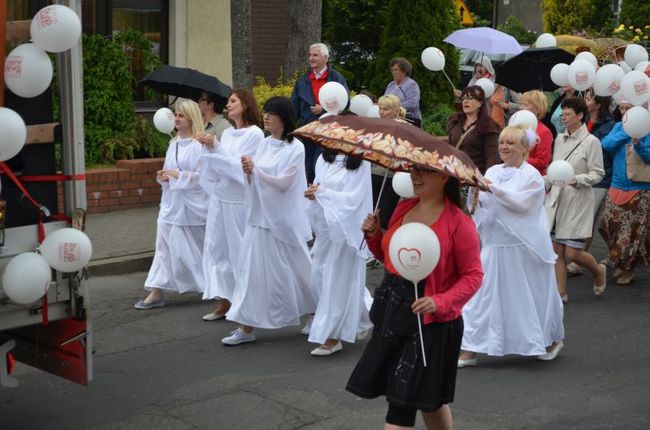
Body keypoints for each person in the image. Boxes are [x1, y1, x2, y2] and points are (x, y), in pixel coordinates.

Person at [346, 168, 483, 430]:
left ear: (445, 177)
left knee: (402, 403)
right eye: (413, 171)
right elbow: (393, 259)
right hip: (393, 309)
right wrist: (375, 236)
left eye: (424, 172)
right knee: (427, 399)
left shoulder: (459, 222)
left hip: (431, 322)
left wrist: (441, 301)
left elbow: (473, 276)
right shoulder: (404, 206)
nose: (415, 177)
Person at [458, 126, 565, 367]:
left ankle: (548, 340)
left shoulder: (532, 175)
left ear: (525, 148)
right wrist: (476, 192)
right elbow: (482, 206)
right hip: (495, 246)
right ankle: (470, 348)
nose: (504, 147)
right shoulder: (493, 171)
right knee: (481, 297)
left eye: (511, 143)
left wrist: (491, 189)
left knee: (533, 297)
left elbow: (523, 205)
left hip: (523, 247)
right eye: (502, 142)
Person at [222, 96, 317, 345]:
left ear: (283, 118)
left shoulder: (295, 147)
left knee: (299, 270)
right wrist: (248, 172)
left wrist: (256, 171)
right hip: (260, 218)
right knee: (250, 272)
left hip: (284, 219)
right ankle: (246, 327)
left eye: (271, 113)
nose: (266, 117)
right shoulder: (264, 144)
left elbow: (285, 183)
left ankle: (316, 313)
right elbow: (256, 179)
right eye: (265, 112)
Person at [134, 99, 209, 310]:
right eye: (176, 114)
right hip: (170, 205)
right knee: (163, 247)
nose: (176, 119)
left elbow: (203, 177)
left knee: (197, 249)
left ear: (191, 118)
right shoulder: (173, 143)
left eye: (181, 115)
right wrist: (165, 176)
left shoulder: (199, 146)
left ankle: (214, 283)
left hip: (191, 208)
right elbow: (170, 169)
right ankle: (156, 290)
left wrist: (177, 175)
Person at [199, 89, 264, 321]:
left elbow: (242, 168)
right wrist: (210, 149)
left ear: (246, 105)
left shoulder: (255, 134)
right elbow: (219, 164)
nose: (229, 105)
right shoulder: (227, 134)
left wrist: (214, 149)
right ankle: (225, 300)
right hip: (220, 198)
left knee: (239, 251)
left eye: (233, 101)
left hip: (239, 201)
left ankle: (245, 301)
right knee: (218, 250)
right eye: (228, 101)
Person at [304, 149, 373, 356]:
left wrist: (322, 194)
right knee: (318, 276)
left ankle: (331, 337)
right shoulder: (324, 160)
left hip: (347, 230)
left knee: (337, 281)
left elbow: (354, 198)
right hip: (326, 228)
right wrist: (313, 194)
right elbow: (318, 186)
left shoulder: (361, 162)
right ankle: (363, 318)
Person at [544, 97, 606, 303]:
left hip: (577, 200)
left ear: (580, 116)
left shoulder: (591, 142)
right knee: (556, 249)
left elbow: (598, 173)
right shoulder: (560, 138)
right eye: (562, 114)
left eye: (567, 114)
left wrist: (576, 180)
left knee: (573, 252)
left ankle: (598, 271)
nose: (563, 117)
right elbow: (554, 168)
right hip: (556, 199)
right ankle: (560, 293)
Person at [599, 100, 650, 285]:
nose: (624, 112)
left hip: (639, 187)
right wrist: (624, 133)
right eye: (622, 108)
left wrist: (640, 145)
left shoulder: (647, 127)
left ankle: (628, 268)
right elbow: (605, 145)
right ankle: (620, 260)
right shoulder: (620, 126)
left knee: (632, 233)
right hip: (617, 184)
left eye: (629, 108)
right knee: (610, 226)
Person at [566, 90, 615, 276]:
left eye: (588, 98)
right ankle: (579, 255)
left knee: (588, 218)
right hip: (577, 175)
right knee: (578, 216)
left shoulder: (609, 125)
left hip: (599, 179)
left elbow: (603, 152)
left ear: (599, 104)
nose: (585, 100)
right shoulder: (583, 121)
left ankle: (580, 258)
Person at [291, 42, 349, 183]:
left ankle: (321, 192)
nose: (311, 58)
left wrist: (323, 110)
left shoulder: (336, 78)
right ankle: (310, 193)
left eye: (315, 55)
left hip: (328, 129)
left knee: (321, 164)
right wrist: (288, 125)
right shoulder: (302, 81)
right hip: (308, 129)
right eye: (310, 55)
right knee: (308, 166)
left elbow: (345, 103)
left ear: (325, 58)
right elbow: (294, 106)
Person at [447, 86, 500, 175]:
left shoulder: (488, 126)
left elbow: (491, 159)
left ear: (480, 103)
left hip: (474, 178)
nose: (465, 101)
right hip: (454, 175)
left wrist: (485, 181)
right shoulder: (455, 121)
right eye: (463, 98)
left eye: (470, 98)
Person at [372, 95, 406, 229]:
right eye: (380, 109)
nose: (381, 112)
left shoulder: (403, 128)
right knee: (371, 213)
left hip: (392, 176)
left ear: (396, 110)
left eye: (385, 109)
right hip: (373, 172)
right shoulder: (375, 125)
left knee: (385, 217)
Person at [520, 90, 553, 175]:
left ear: (537, 110)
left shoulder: (544, 131)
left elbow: (542, 162)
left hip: (532, 177)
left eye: (525, 105)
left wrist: (517, 158)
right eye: (521, 104)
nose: (520, 108)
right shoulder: (517, 127)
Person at [384, 57, 422, 127]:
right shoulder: (390, 85)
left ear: (404, 71)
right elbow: (384, 101)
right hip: (391, 120)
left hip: (409, 121)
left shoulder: (411, 84)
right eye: (392, 70)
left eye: (396, 70)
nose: (393, 73)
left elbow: (412, 103)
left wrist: (393, 107)